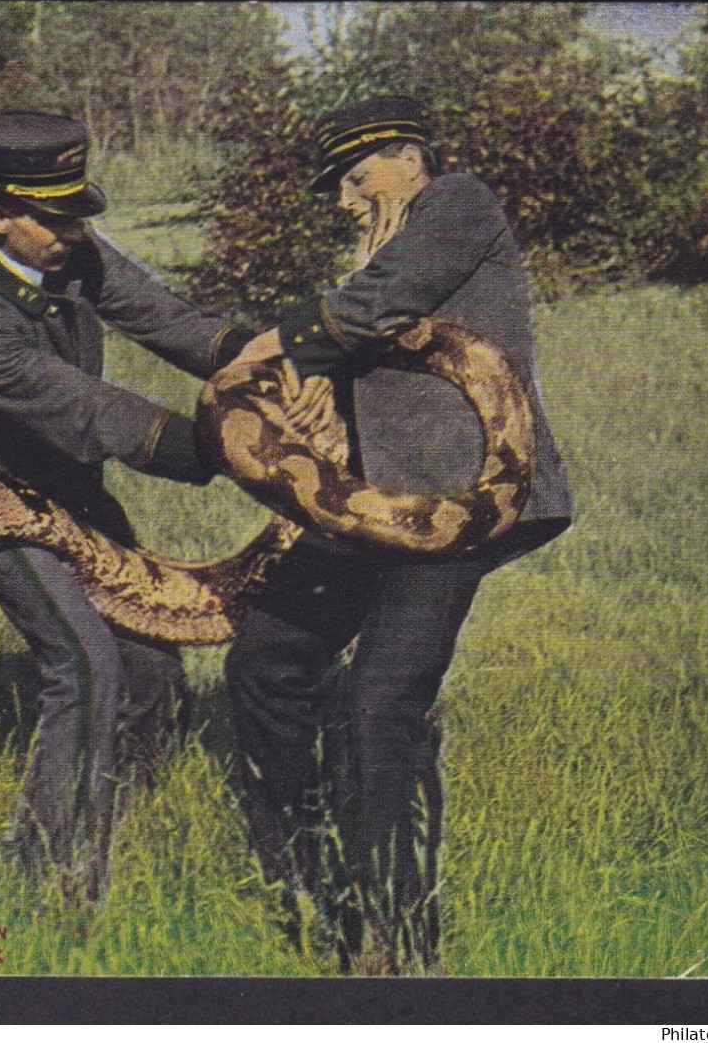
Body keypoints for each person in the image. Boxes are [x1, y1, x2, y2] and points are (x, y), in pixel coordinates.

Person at [222, 96, 573, 971]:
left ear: (405, 159)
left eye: (352, 177)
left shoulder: (456, 202)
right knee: (265, 659)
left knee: (378, 701)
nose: (344, 199)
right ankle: (304, 889)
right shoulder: (378, 241)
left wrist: (286, 343)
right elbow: (362, 333)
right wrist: (304, 379)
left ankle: (396, 943)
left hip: (462, 505)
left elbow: (382, 302)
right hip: (376, 509)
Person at [0, 112, 266, 899]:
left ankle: (113, 807)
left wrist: (275, 358)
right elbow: (89, 410)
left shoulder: (72, 252)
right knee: (82, 662)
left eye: (76, 213)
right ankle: (48, 873)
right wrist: (234, 449)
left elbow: (166, 318)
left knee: (146, 661)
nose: (69, 232)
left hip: (68, 489)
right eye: (51, 217)